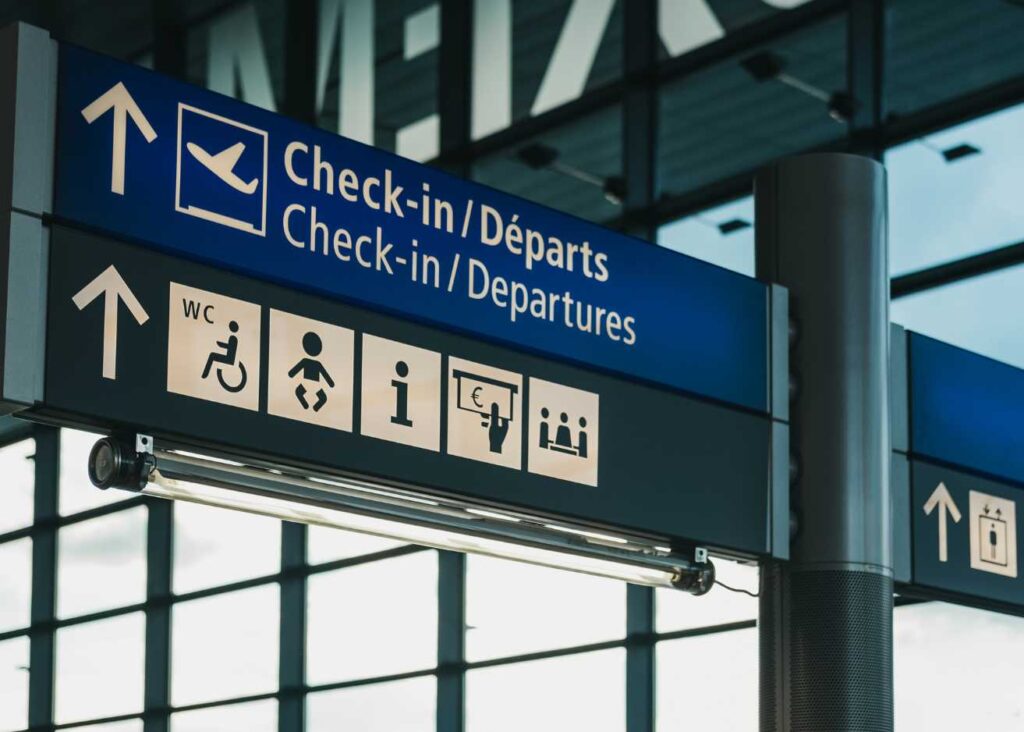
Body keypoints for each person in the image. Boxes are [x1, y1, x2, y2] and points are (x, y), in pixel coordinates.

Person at [289, 332, 335, 412]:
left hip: (313, 386)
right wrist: (330, 384)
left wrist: (331, 383)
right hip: (307, 384)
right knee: (321, 398)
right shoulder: (311, 363)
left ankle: (312, 406)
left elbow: (292, 373)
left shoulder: (309, 362)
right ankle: (311, 406)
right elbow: (329, 381)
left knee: (321, 398)